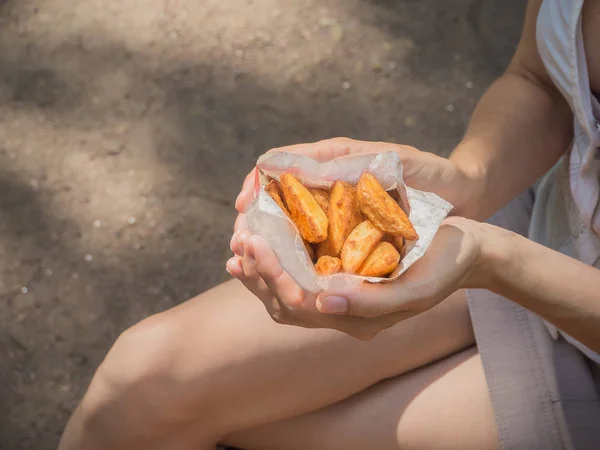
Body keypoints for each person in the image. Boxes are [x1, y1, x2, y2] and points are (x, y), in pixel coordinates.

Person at [58, 0, 600, 449]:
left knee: (231, 424)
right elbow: (541, 80)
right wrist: (469, 180)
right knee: (143, 384)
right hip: (540, 223)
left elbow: (490, 257)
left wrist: (493, 259)